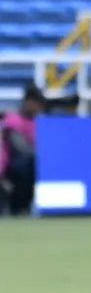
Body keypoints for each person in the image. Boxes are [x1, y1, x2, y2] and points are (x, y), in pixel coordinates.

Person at [0, 84, 45, 216]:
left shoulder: (39, 123)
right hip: (10, 173)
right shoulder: (11, 121)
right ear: (29, 101)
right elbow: (19, 149)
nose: (40, 107)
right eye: (38, 103)